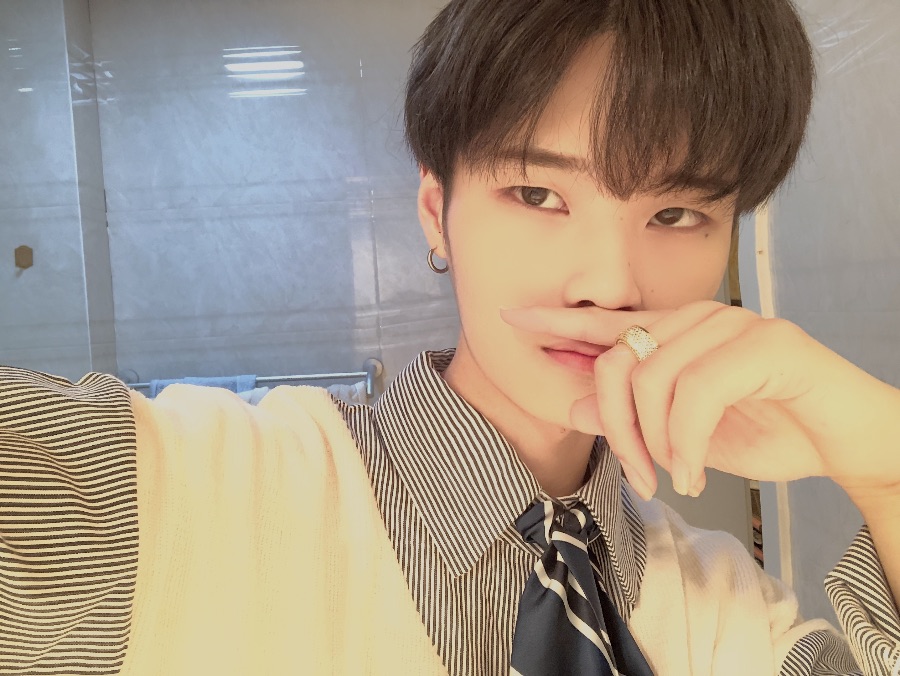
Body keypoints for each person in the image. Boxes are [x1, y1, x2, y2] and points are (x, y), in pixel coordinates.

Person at [1, 0, 899, 674]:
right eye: (539, 194)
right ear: (437, 213)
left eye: (675, 214)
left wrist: (888, 471)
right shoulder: (180, 492)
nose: (611, 285)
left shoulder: (736, 615)